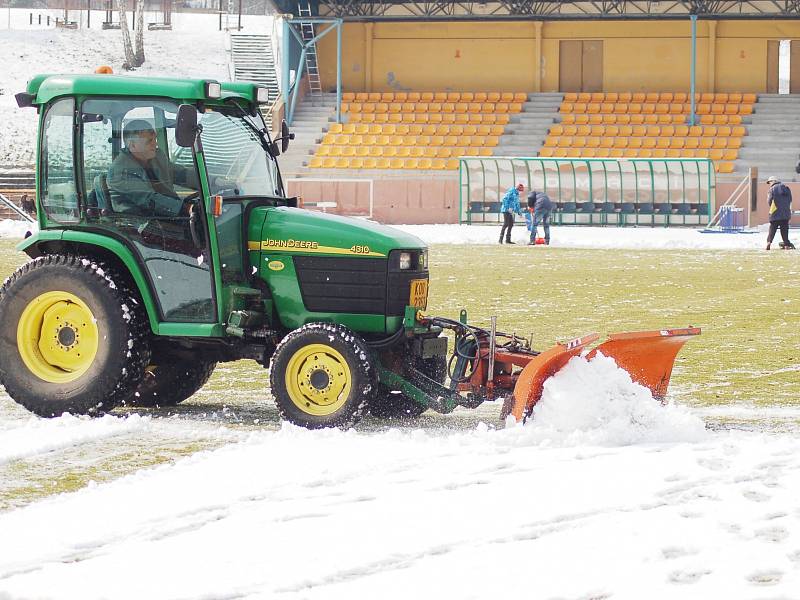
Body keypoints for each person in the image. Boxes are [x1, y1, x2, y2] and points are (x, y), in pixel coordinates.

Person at [107, 119, 198, 217]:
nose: (155, 144)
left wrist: (212, 181)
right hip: (139, 224)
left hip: (164, 217)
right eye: (149, 141)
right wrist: (187, 208)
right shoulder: (120, 171)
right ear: (133, 145)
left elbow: (181, 174)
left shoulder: (156, 157)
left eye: (155, 139)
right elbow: (149, 199)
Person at [765, 175, 795, 250]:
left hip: (775, 212)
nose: (769, 184)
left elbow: (769, 201)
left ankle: (769, 242)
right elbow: (790, 199)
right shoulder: (787, 188)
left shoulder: (771, 189)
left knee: (772, 228)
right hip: (786, 213)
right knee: (784, 229)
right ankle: (786, 245)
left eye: (770, 182)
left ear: (774, 181)